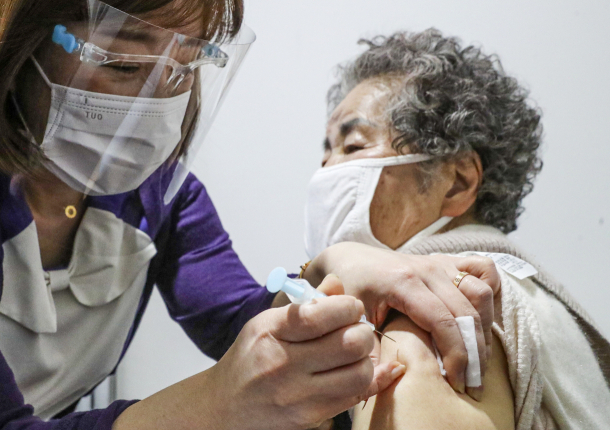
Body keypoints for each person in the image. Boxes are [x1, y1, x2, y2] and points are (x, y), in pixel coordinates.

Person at [0, 1, 504, 430]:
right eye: (124, 64)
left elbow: (236, 323)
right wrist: (214, 401)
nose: (155, 100)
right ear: (23, 43)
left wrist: (336, 264)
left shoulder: (163, 198)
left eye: (183, 70)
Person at [304, 29, 610, 429]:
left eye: (354, 146)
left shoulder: (434, 315)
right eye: (326, 151)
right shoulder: (535, 300)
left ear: (458, 183)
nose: (325, 170)